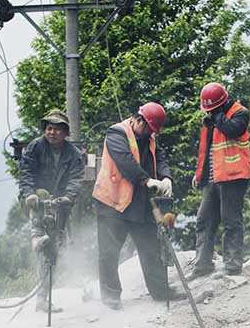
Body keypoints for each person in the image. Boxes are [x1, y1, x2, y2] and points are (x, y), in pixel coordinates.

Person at [93, 102, 184, 310]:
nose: (150, 134)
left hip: (139, 204)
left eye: (153, 131)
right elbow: (126, 163)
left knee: (150, 247)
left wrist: (166, 177)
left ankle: (160, 290)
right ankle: (111, 296)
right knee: (109, 251)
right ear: (138, 120)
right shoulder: (116, 133)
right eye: (149, 129)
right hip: (112, 204)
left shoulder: (149, 136)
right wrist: (148, 181)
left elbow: (160, 157)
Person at [18, 109, 84, 312]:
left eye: (56, 129)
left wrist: (69, 197)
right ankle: (36, 234)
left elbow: (76, 178)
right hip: (36, 201)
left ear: (65, 133)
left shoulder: (73, 153)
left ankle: (42, 298)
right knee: (41, 199)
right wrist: (29, 193)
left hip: (60, 204)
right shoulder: (35, 147)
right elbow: (25, 171)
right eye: (49, 128)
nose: (52, 132)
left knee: (53, 250)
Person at [190, 82, 250, 278]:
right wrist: (200, 173)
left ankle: (232, 266)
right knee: (204, 219)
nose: (209, 113)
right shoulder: (213, 120)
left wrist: (216, 115)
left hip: (234, 177)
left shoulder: (239, 113)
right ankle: (202, 265)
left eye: (212, 109)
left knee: (231, 221)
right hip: (213, 178)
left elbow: (233, 130)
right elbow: (207, 149)